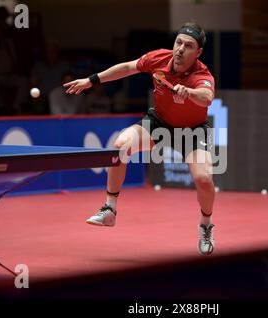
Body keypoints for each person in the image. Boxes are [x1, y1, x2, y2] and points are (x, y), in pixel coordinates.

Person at [64, 22, 216, 256]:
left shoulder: (202, 74)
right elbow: (126, 67)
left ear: (198, 52)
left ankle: (206, 224)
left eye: (188, 46)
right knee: (119, 147)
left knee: (204, 179)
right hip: (159, 122)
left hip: (192, 130)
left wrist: (191, 93)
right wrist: (90, 80)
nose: (180, 49)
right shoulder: (158, 59)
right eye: (178, 42)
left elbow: (206, 97)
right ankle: (110, 210)